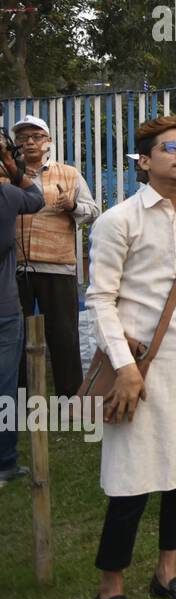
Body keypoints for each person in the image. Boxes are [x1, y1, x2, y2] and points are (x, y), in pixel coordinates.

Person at [85, 114, 176, 599]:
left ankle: (168, 571)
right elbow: (100, 298)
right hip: (135, 369)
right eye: (172, 148)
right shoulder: (117, 219)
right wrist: (125, 364)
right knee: (131, 478)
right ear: (144, 161)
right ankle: (110, 586)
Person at [5, 115, 100, 397]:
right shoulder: (5, 172)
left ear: (48, 142)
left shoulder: (68, 174)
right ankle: (19, 399)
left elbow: (92, 211)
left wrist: (71, 205)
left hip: (57, 266)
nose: (29, 142)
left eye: (36, 137)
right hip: (14, 268)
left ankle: (70, 398)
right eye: (23, 138)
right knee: (16, 336)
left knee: (64, 335)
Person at [0, 131, 45, 486]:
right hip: (4, 309)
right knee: (5, 383)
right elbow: (36, 197)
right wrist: (12, 167)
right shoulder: (7, 195)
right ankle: (5, 461)